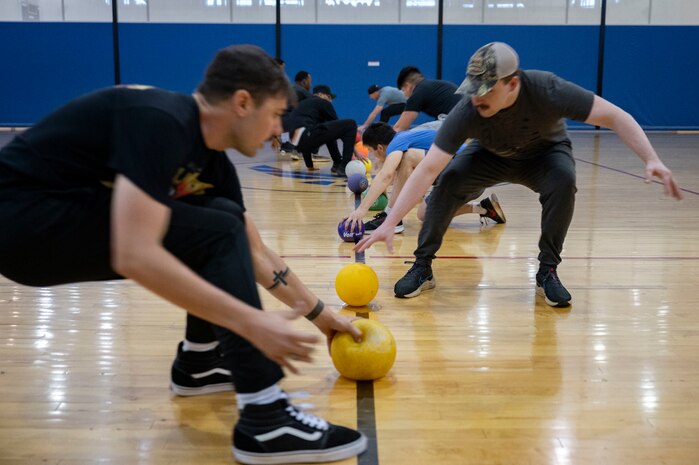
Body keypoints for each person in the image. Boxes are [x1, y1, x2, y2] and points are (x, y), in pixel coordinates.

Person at [0, 44, 367, 464]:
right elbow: (134, 255)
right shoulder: (159, 120)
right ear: (242, 102)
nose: (278, 130)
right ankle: (266, 419)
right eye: (276, 114)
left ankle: (201, 360)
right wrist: (250, 322)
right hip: (22, 223)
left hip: (50, 226)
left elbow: (253, 250)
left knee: (222, 224)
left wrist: (321, 316)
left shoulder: (211, 162)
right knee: (218, 228)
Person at [356, 41, 682, 306]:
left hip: (544, 155)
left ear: (513, 83)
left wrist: (651, 158)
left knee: (564, 181)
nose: (478, 97)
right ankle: (423, 266)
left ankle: (547, 271)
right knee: (448, 181)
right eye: (474, 89)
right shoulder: (469, 108)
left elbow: (615, 116)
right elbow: (427, 169)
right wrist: (390, 221)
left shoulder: (549, 90)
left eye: (486, 89)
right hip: (489, 155)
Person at [343, 122, 505, 236]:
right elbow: (392, 178)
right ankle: (483, 208)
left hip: (468, 173)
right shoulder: (405, 139)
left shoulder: (399, 143)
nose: (373, 156)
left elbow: (387, 175)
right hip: (465, 180)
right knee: (424, 214)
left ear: (380, 147)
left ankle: (392, 219)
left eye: (372, 151)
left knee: (408, 157)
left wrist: (362, 209)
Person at [287, 84, 357, 175]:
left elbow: (301, 131)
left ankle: (337, 163)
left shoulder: (303, 104)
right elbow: (341, 129)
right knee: (350, 124)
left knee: (326, 128)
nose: (330, 100)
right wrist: (354, 150)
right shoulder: (322, 102)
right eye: (329, 97)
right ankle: (344, 167)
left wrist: (310, 166)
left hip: (296, 143)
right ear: (320, 94)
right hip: (306, 136)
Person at [392, 66, 462, 132]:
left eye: (403, 90)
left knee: (412, 134)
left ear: (407, 85)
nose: (405, 95)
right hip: (467, 119)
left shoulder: (417, 94)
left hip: (457, 122)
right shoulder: (435, 86)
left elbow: (399, 128)